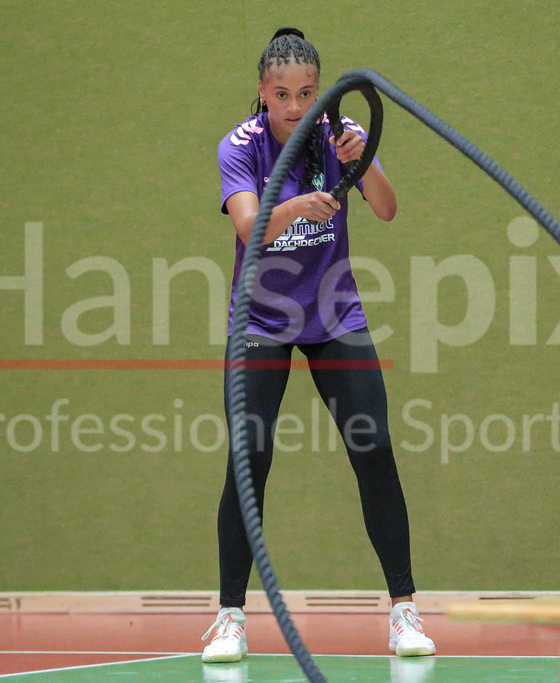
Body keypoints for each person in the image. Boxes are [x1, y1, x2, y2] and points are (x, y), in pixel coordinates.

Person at [200, 27, 436, 663]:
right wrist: (299, 206)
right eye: (282, 94)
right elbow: (250, 224)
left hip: (334, 313)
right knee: (248, 457)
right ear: (262, 92)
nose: (297, 106)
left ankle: (405, 610)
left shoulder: (341, 132)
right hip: (261, 319)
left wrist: (361, 162)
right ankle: (228, 618)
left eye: (307, 92)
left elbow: (386, 208)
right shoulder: (240, 147)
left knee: (376, 446)